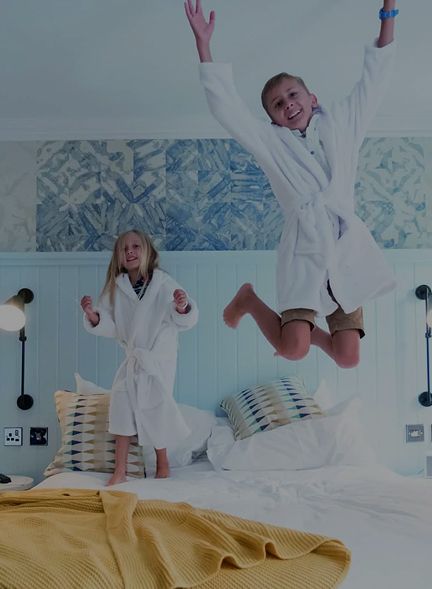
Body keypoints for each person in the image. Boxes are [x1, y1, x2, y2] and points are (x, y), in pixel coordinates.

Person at [185, 0, 398, 368]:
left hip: (346, 248)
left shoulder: (343, 124)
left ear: (312, 98)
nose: (287, 104)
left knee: (348, 358)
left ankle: (282, 318)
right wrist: (203, 45)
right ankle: (249, 300)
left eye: (293, 95)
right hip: (304, 250)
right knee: (293, 349)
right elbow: (227, 109)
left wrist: (388, 11)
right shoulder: (271, 143)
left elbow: (374, 80)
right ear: (273, 120)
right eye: (277, 104)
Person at [80, 229, 198, 485]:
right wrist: (93, 316)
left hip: (157, 359)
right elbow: (110, 324)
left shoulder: (164, 283)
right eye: (124, 249)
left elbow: (182, 317)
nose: (130, 251)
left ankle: (163, 464)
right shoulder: (116, 288)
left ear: (148, 252)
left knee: (155, 407)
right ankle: (119, 471)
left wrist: (182, 306)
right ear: (119, 257)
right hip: (133, 359)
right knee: (121, 407)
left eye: (136, 246)